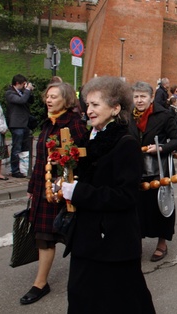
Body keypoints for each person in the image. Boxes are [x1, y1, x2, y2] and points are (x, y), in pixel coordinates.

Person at [61, 76, 156, 313]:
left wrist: (78, 191)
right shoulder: (89, 137)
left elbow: (125, 196)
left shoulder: (125, 143)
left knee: (121, 301)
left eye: (95, 105)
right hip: (87, 236)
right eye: (87, 105)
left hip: (113, 240)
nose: (89, 110)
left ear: (115, 108)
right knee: (82, 296)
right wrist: (65, 184)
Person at [19, 82, 88, 305]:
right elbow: (40, 161)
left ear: (67, 100)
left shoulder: (75, 124)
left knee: (76, 235)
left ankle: (90, 277)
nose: (49, 100)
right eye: (47, 96)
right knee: (44, 236)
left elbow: (85, 158)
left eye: (54, 97)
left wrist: (69, 176)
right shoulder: (49, 123)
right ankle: (40, 283)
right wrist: (32, 188)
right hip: (45, 189)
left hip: (66, 190)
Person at [128, 81, 177, 262]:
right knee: (137, 208)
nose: (139, 100)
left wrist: (161, 148)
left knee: (161, 206)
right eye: (136, 96)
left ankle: (162, 243)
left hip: (159, 170)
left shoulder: (164, 115)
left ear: (151, 98)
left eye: (143, 96)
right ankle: (136, 242)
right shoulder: (128, 116)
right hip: (135, 170)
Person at [5, 74, 35, 178]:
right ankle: (15, 170)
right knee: (16, 148)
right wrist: (27, 90)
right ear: (17, 83)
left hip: (25, 123)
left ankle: (24, 168)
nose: (24, 86)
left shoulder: (22, 92)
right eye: (23, 84)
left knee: (25, 148)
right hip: (16, 124)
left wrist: (29, 92)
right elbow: (21, 101)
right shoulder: (10, 93)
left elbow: (30, 101)